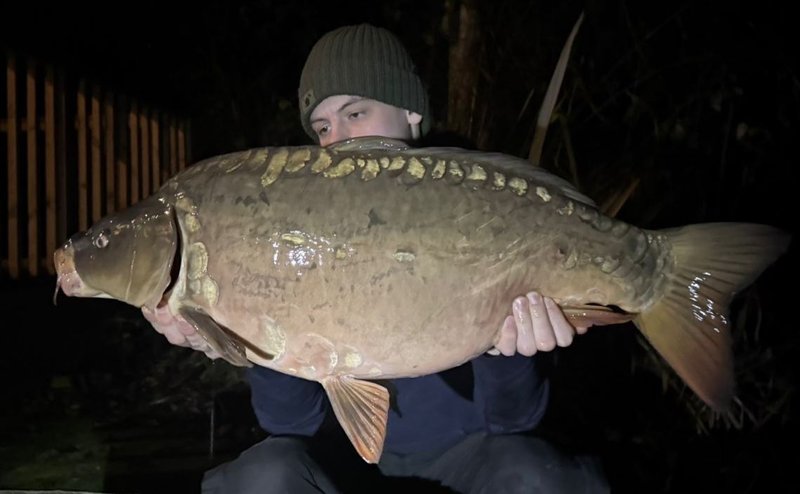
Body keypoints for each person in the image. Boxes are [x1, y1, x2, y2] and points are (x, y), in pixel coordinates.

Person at [144, 23, 608, 493]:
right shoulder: (294, 232)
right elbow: (290, 422)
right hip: (343, 467)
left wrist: (511, 350)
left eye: (356, 113)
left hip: (468, 462)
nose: (337, 140)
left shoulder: (478, 206)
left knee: (534, 475)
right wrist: (237, 336)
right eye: (323, 127)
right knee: (263, 475)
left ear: (411, 111)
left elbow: (513, 423)